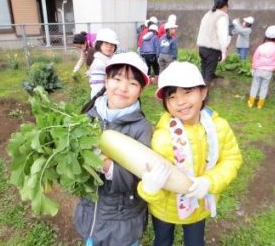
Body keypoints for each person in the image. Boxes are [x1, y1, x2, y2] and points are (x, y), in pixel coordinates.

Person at [137, 61, 242, 246]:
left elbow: (231, 159)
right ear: (165, 103)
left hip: (198, 207)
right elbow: (147, 173)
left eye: (187, 92)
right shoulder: (162, 138)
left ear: (203, 92)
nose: (181, 102)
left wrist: (209, 182)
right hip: (164, 209)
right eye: (172, 96)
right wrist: (149, 189)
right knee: (162, 241)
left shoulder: (218, 127)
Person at [74, 52, 152, 246]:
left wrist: (107, 166)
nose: (123, 88)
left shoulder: (141, 128)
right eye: (117, 79)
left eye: (133, 83)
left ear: (140, 91)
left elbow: (141, 178)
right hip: (91, 215)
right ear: (106, 81)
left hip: (122, 221)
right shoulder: (87, 117)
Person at [197, 0, 230, 84]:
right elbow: (222, 36)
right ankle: (204, 93)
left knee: (204, 68)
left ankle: (200, 85)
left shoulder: (208, 14)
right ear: (225, 6)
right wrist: (224, 52)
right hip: (211, 49)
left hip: (202, 47)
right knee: (208, 74)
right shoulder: (221, 17)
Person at [248, 25, 275, 109]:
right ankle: (260, 104)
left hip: (258, 70)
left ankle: (251, 102)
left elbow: (255, 58)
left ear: (266, 36)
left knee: (255, 85)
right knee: (264, 87)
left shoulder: (261, 46)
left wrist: (253, 68)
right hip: (268, 72)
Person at [87, 28, 119, 98]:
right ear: (99, 44)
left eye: (112, 44)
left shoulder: (110, 59)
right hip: (103, 101)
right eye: (106, 43)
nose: (109, 46)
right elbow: (98, 90)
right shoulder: (99, 64)